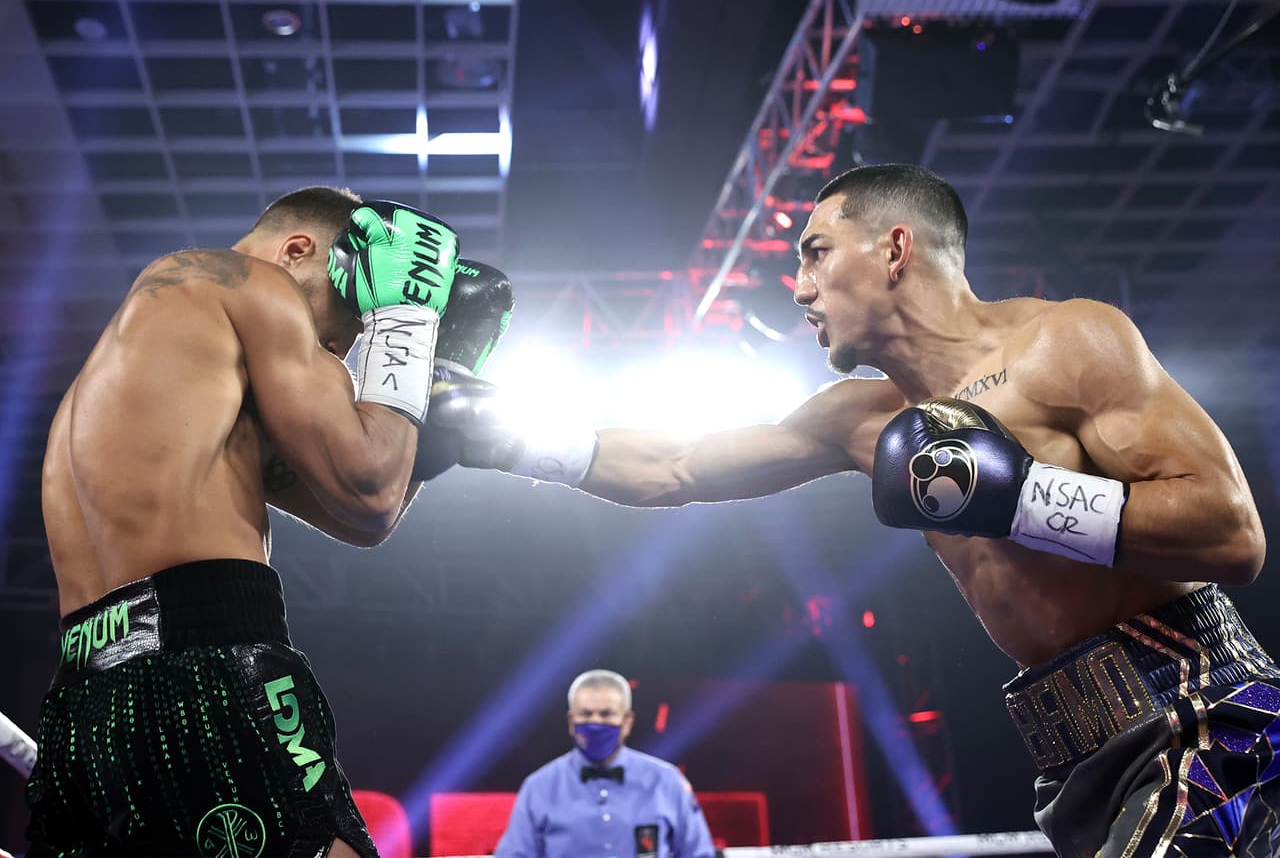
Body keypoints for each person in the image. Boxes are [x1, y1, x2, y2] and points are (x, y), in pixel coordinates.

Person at [429, 163, 1277, 856]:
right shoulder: (859, 421)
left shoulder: (1068, 342)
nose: (799, 287)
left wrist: (1023, 497)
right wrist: (508, 438)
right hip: (1080, 752)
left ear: (895, 247)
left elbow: (1232, 532)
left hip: (1201, 710)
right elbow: (677, 464)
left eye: (816, 252)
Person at [27, 187, 512, 856]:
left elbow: (365, 516)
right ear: (297, 251)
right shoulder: (248, 282)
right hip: (206, 670)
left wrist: (435, 403)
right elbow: (371, 486)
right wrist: (407, 317)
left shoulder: (138, 382)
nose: (338, 348)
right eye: (342, 321)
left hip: (85, 705)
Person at [495, 670, 715, 858]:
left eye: (606, 714)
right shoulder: (538, 788)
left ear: (627, 721)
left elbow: (699, 854)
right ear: (571, 722)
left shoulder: (667, 782)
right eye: (586, 714)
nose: (596, 722)